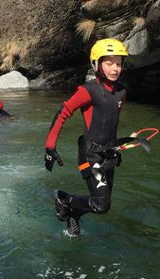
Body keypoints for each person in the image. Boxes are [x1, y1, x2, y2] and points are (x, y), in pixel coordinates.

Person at [44, 38, 129, 236]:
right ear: (96, 64)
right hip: (90, 155)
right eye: (109, 63)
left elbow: (111, 123)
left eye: (118, 63)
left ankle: (73, 214)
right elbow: (63, 112)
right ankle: (65, 200)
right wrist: (50, 146)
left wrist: (115, 148)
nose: (115, 68)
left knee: (101, 201)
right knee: (102, 205)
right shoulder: (87, 91)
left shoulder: (122, 92)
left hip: (109, 154)